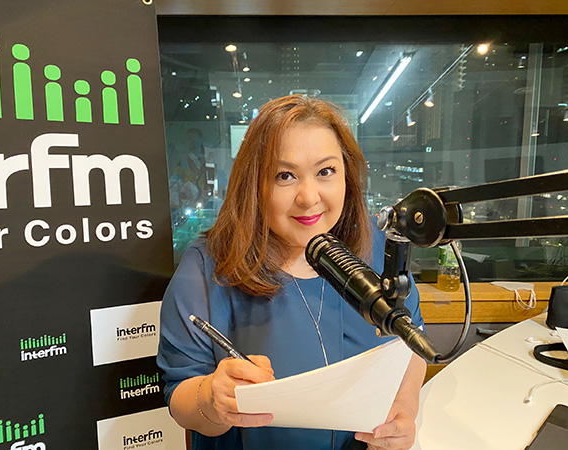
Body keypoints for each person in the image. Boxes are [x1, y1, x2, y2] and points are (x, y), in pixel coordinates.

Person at [157, 94, 427, 450]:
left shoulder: (379, 248)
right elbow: (180, 394)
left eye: (325, 172)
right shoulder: (207, 267)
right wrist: (211, 398)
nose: (309, 197)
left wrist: (404, 410)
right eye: (285, 176)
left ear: (347, 175)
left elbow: (410, 344)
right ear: (254, 183)